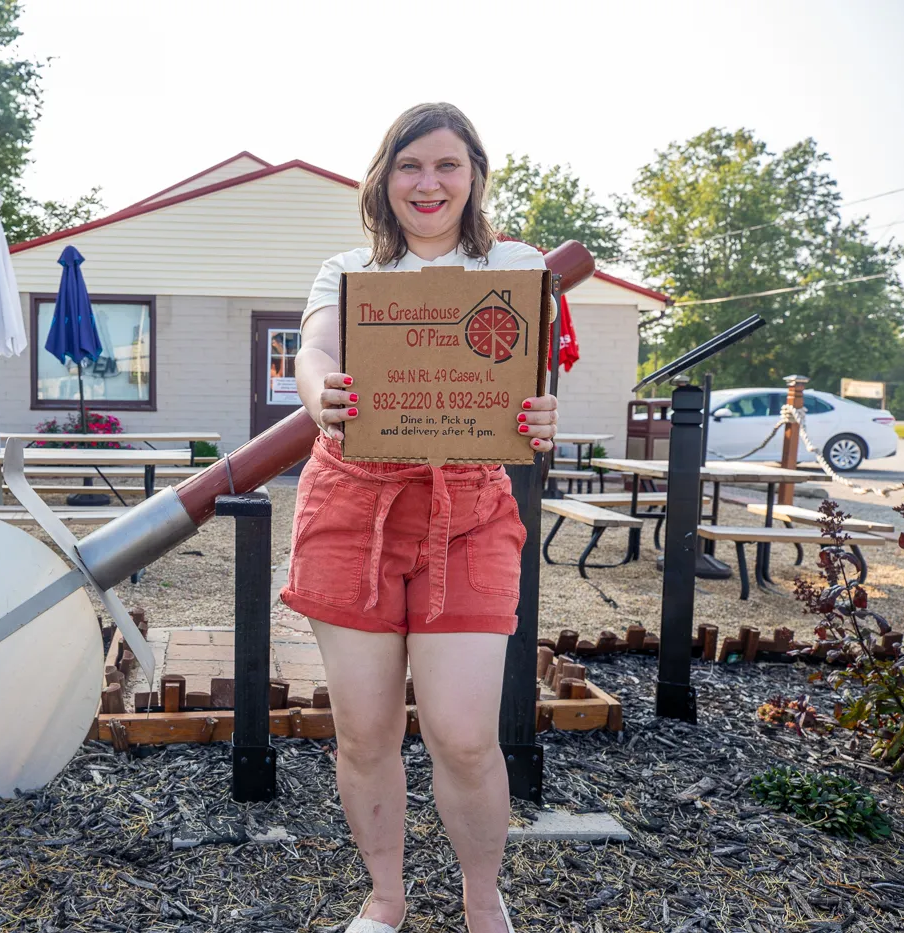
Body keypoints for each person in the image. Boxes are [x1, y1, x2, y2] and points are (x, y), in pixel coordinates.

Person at [283, 102, 560, 933]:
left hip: (469, 511)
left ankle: (483, 899)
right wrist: (317, 391)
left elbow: (531, 383)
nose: (428, 182)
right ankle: (386, 898)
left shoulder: (513, 265)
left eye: (447, 164)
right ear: (384, 178)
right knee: (365, 734)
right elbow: (317, 352)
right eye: (411, 165)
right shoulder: (344, 270)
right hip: (352, 505)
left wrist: (547, 417)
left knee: (466, 734)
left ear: (473, 173)